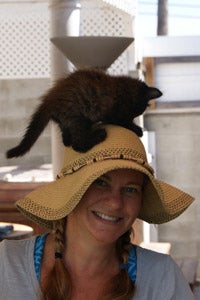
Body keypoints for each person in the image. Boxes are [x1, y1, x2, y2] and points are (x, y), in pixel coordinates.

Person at [0, 125, 195, 300]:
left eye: (130, 189)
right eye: (100, 183)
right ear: (70, 190)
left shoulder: (161, 277)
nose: (115, 203)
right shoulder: (7, 266)